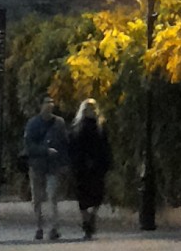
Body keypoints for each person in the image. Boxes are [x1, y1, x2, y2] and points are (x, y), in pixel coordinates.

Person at [21, 99, 70, 241]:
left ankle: (53, 227)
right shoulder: (33, 124)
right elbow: (29, 145)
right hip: (37, 165)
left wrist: (65, 163)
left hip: (54, 166)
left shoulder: (59, 123)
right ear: (40, 106)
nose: (50, 106)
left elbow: (65, 143)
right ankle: (39, 226)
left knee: (52, 196)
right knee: (37, 198)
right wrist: (45, 150)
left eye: (52, 103)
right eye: (47, 103)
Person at [66, 98, 113, 240]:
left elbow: (105, 146)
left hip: (89, 167)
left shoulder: (97, 126)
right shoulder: (84, 127)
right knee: (88, 196)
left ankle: (88, 220)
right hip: (88, 167)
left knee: (91, 196)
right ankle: (88, 221)